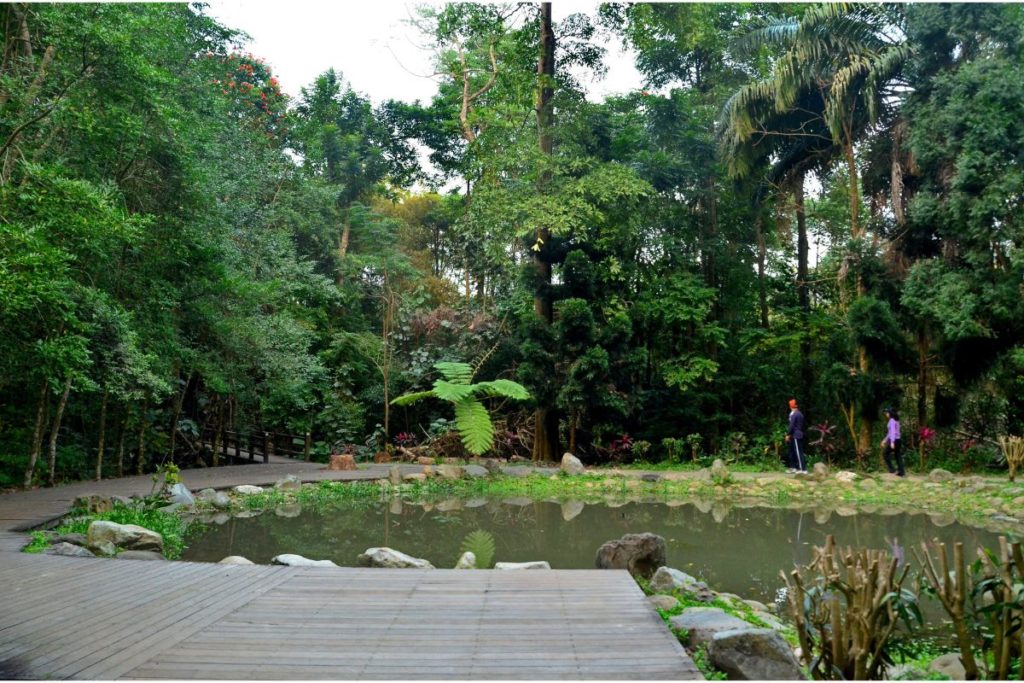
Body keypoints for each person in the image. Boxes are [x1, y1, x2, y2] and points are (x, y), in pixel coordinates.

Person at [785, 398, 807, 473]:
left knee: (798, 452)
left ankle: (803, 469)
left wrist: (788, 434)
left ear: (791, 407)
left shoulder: (795, 414)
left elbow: (791, 425)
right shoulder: (800, 413)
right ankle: (795, 467)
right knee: (795, 451)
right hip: (797, 434)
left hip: (796, 435)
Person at [881, 407, 905, 476]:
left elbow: (893, 433)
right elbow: (890, 432)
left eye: (887, 413)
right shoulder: (896, 420)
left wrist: (891, 442)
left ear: (890, 413)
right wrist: (884, 440)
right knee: (898, 455)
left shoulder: (891, 420)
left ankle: (892, 469)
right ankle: (901, 472)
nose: (886, 414)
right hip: (898, 440)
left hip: (894, 440)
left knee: (885, 453)